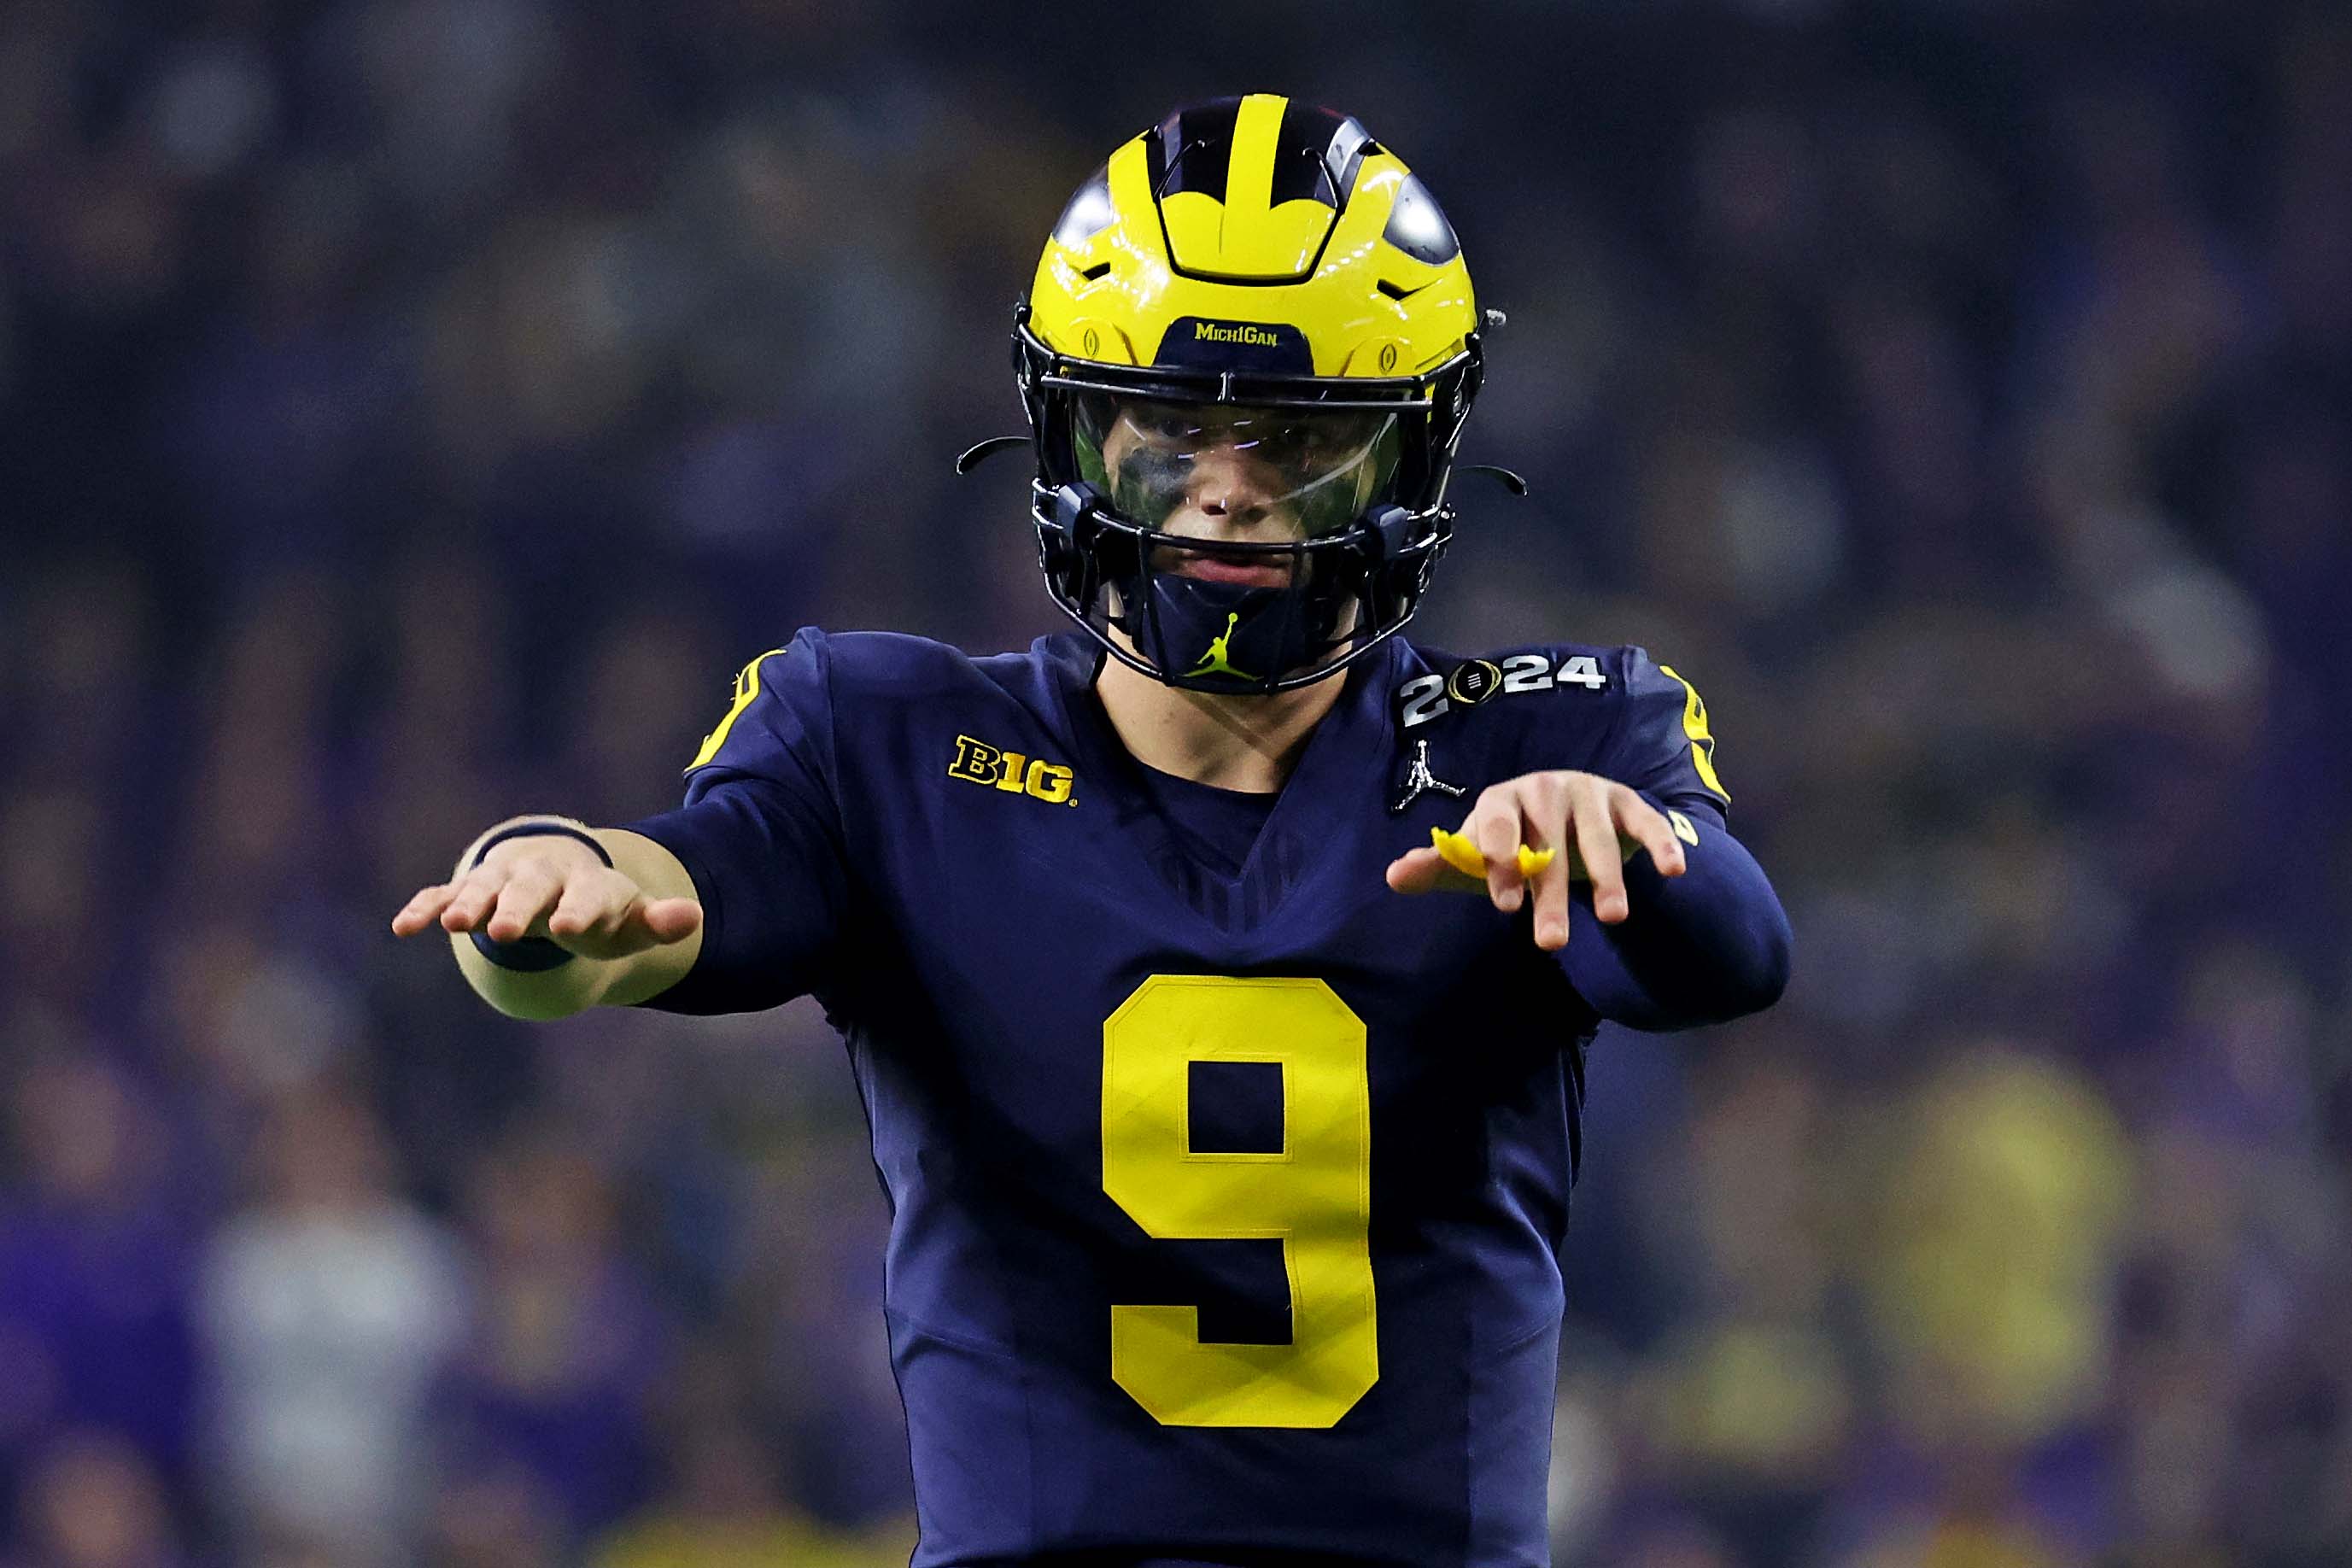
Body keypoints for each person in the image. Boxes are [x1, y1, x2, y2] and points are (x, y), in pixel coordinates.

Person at [392, 94, 1792, 1568]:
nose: (1228, 492)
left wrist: (1621, 855)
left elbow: (1731, 954)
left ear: (1409, 455)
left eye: (1299, 438)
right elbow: (689, 884)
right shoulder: (884, 736)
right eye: (1172, 428)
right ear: (1071, 429)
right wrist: (555, 882)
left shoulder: (1547, 738)